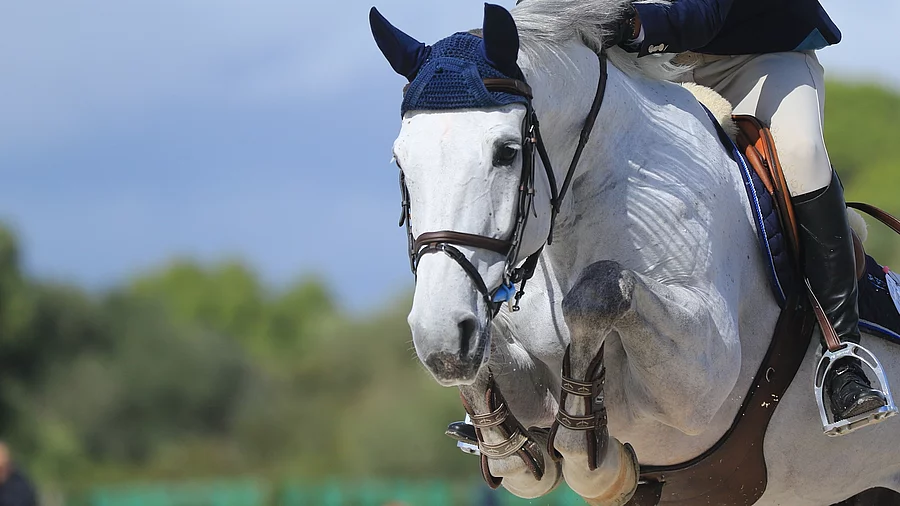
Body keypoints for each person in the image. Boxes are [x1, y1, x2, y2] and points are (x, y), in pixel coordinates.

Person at [604, 0, 888, 422]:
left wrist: (628, 21)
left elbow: (704, 13)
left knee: (802, 154)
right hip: (647, 66)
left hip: (758, 60)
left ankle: (843, 360)